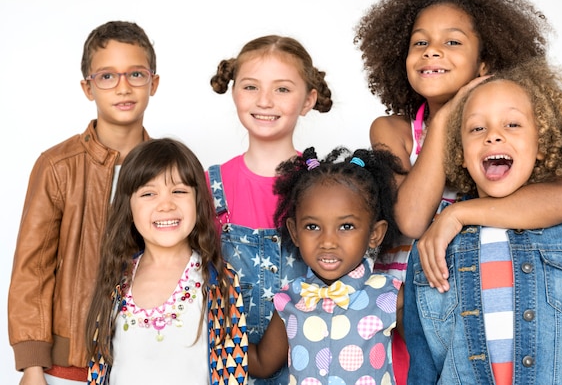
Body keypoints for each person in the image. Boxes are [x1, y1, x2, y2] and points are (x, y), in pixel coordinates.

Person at [404, 58, 562, 384]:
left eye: (512, 125)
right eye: (477, 128)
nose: (493, 136)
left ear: (541, 145)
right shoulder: (433, 246)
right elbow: (423, 360)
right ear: (459, 152)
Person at [8, 21, 160, 385]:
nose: (123, 87)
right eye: (107, 76)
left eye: (136, 74)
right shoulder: (58, 166)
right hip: (69, 364)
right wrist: (32, 364)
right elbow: (33, 269)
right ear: (87, 87)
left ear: (154, 83)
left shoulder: (168, 168)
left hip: (147, 358)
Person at [207, 35, 333, 384]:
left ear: (308, 100)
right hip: (230, 365)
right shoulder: (208, 186)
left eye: (282, 89)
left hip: (310, 362)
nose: (264, 101)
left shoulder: (329, 188)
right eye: (250, 87)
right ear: (234, 92)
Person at [85, 138, 248, 385]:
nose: (166, 204)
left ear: (198, 200)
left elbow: (232, 372)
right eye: (149, 193)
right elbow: (98, 370)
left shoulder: (219, 280)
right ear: (128, 206)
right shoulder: (116, 279)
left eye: (179, 191)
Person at [247, 146, 406, 383]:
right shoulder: (289, 299)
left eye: (346, 226)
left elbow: (426, 359)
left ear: (375, 233)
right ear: (295, 231)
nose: (328, 242)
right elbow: (261, 363)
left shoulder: (391, 296)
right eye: (312, 227)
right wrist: (213, 329)